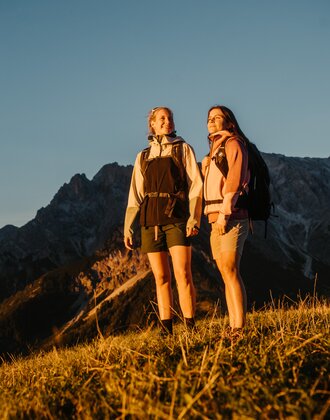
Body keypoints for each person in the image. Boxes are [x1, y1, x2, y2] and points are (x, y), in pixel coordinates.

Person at [124, 107, 203, 335]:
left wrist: (194, 218)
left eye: (170, 118)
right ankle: (166, 330)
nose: (167, 121)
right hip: (150, 220)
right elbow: (135, 194)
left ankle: (190, 327)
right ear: (153, 124)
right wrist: (128, 227)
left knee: (183, 274)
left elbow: (195, 186)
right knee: (161, 277)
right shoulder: (143, 156)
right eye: (162, 118)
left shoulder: (183, 149)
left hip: (176, 217)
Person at [202, 105, 250, 337]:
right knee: (224, 270)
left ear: (229, 123)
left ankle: (239, 327)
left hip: (231, 215)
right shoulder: (214, 149)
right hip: (215, 218)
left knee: (230, 269)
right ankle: (233, 325)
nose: (211, 121)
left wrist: (224, 212)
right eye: (209, 118)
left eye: (217, 118)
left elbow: (235, 179)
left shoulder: (233, 144)